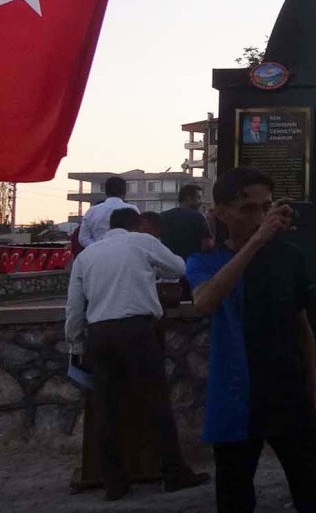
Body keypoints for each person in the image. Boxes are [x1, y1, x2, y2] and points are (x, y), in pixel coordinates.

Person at [186, 167, 316, 513]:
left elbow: (303, 329)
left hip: (287, 393)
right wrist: (254, 243)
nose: (259, 216)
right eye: (248, 208)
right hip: (237, 397)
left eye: (265, 207)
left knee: (314, 492)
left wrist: (314, 397)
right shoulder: (205, 262)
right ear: (221, 213)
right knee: (235, 495)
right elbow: (204, 301)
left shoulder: (289, 257)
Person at [64, 207, 209, 501]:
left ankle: (113, 483)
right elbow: (180, 267)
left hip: (99, 333)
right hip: (136, 331)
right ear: (136, 224)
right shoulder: (142, 242)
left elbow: (74, 305)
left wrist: (75, 340)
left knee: (106, 408)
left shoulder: (87, 256)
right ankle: (173, 472)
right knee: (156, 402)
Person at [78, 176, 138, 248]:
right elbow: (138, 234)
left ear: (106, 191)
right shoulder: (132, 209)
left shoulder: (92, 211)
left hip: (98, 254)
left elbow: (83, 238)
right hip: (126, 252)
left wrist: (98, 247)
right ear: (124, 192)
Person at [160, 184, 214, 261]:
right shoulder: (197, 217)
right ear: (188, 198)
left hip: (168, 264)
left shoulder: (164, 216)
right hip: (192, 263)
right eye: (198, 198)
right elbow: (207, 244)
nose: (200, 202)